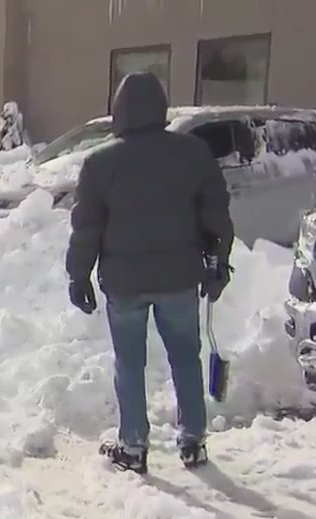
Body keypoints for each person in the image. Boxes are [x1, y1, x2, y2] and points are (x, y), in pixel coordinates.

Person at [64, 71, 234, 474]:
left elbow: (87, 228)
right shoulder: (193, 153)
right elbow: (216, 216)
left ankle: (134, 445)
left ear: (119, 110)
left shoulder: (100, 163)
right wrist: (219, 262)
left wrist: (78, 275)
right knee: (186, 359)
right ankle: (193, 441)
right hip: (180, 278)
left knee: (129, 363)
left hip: (125, 284)